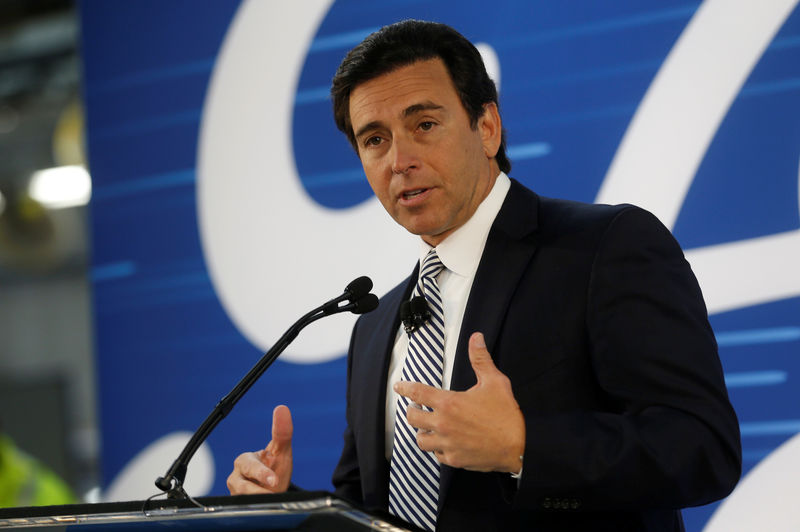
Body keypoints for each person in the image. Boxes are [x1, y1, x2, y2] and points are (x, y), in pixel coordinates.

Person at [227, 20, 741, 531]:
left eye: (424, 125)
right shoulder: (374, 324)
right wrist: (285, 507)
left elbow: (702, 448)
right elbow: (374, 515)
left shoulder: (603, 248)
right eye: (375, 140)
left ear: (487, 127)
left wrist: (522, 446)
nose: (399, 161)